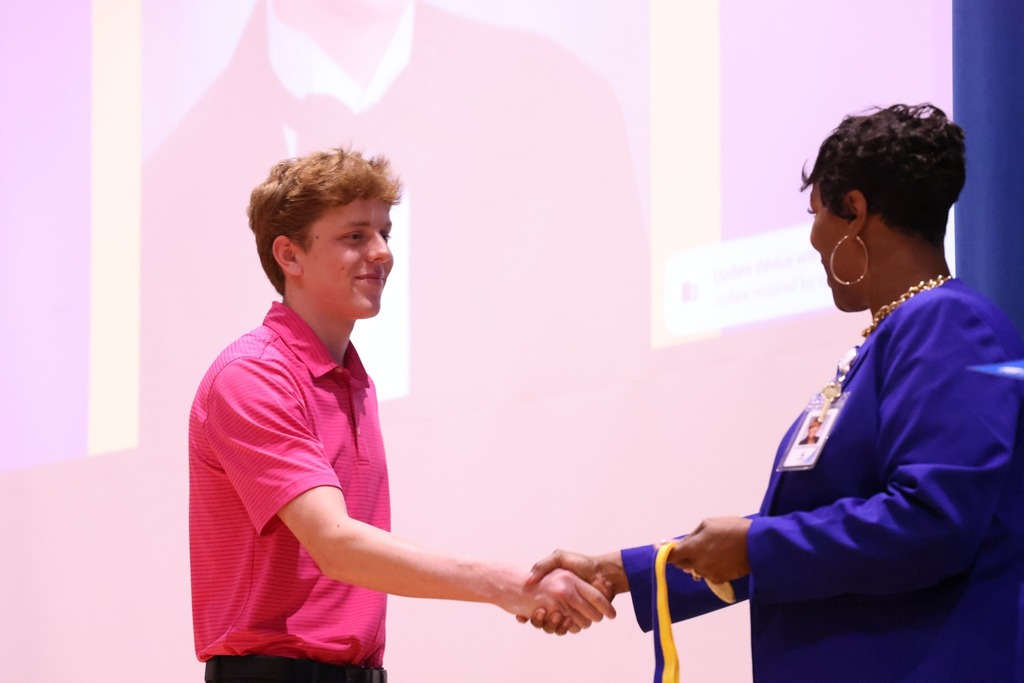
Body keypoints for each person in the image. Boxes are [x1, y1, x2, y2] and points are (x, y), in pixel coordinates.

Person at [525, 104, 1024, 681]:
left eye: (816, 214)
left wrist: (758, 543)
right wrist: (622, 572)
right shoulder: (896, 335)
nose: (813, 239)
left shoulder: (949, 324)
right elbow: (813, 534)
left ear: (855, 211)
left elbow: (930, 521)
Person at [189, 147, 614, 683]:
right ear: (289, 256)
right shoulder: (252, 375)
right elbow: (336, 545)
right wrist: (510, 584)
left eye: (384, 233)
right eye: (355, 236)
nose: (382, 253)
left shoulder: (354, 379)